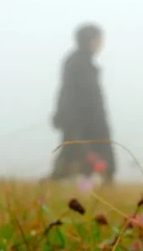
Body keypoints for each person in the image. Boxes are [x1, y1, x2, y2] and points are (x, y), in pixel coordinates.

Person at [49, 23, 115, 185]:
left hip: (84, 125)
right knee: (79, 163)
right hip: (83, 126)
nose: (101, 44)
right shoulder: (79, 64)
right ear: (90, 40)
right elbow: (73, 94)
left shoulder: (82, 64)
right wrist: (65, 117)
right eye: (99, 40)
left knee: (75, 161)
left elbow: (66, 93)